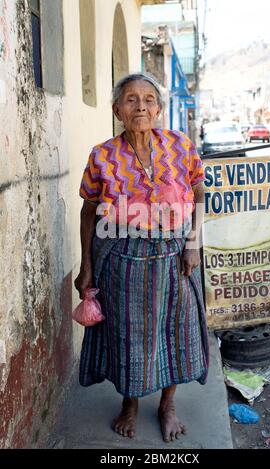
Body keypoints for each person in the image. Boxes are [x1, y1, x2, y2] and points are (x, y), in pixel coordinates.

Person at [74, 73, 209, 443]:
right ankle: (130, 405)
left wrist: (193, 242)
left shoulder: (180, 146)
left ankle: (167, 406)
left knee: (175, 333)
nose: (141, 106)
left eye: (149, 99)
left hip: (175, 255)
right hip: (121, 257)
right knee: (127, 334)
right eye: (131, 99)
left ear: (160, 109)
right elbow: (88, 211)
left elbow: (198, 192)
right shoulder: (102, 155)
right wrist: (86, 264)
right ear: (117, 109)